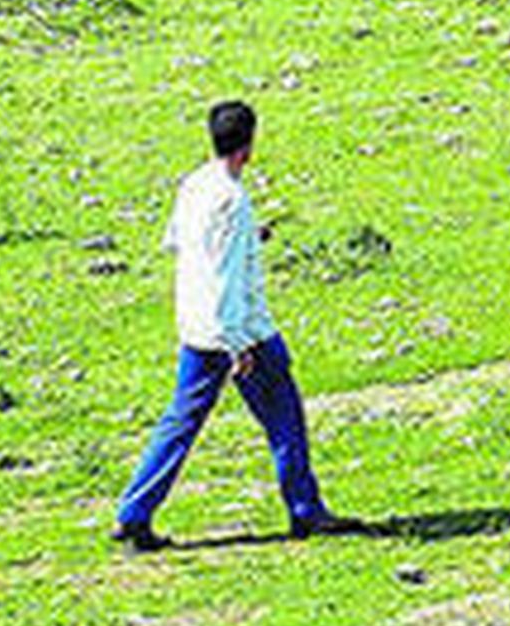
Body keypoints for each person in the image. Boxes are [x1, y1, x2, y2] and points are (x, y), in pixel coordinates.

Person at [113, 101, 348, 551]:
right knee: (285, 418)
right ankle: (306, 511)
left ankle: (133, 513)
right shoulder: (233, 201)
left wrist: (247, 241)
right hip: (241, 332)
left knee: (180, 422)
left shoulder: (194, 184)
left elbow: (180, 242)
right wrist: (237, 343)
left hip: (196, 327)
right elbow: (225, 279)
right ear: (249, 145)